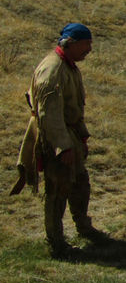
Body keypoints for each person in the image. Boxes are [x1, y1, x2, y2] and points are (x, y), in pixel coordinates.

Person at [15, 23, 107, 258]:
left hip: (70, 136)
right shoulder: (53, 70)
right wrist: (62, 147)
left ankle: (83, 227)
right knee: (57, 191)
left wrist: (81, 136)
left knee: (80, 185)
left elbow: (73, 108)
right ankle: (56, 243)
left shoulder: (69, 67)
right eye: (86, 44)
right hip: (57, 139)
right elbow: (50, 114)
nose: (90, 49)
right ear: (72, 43)